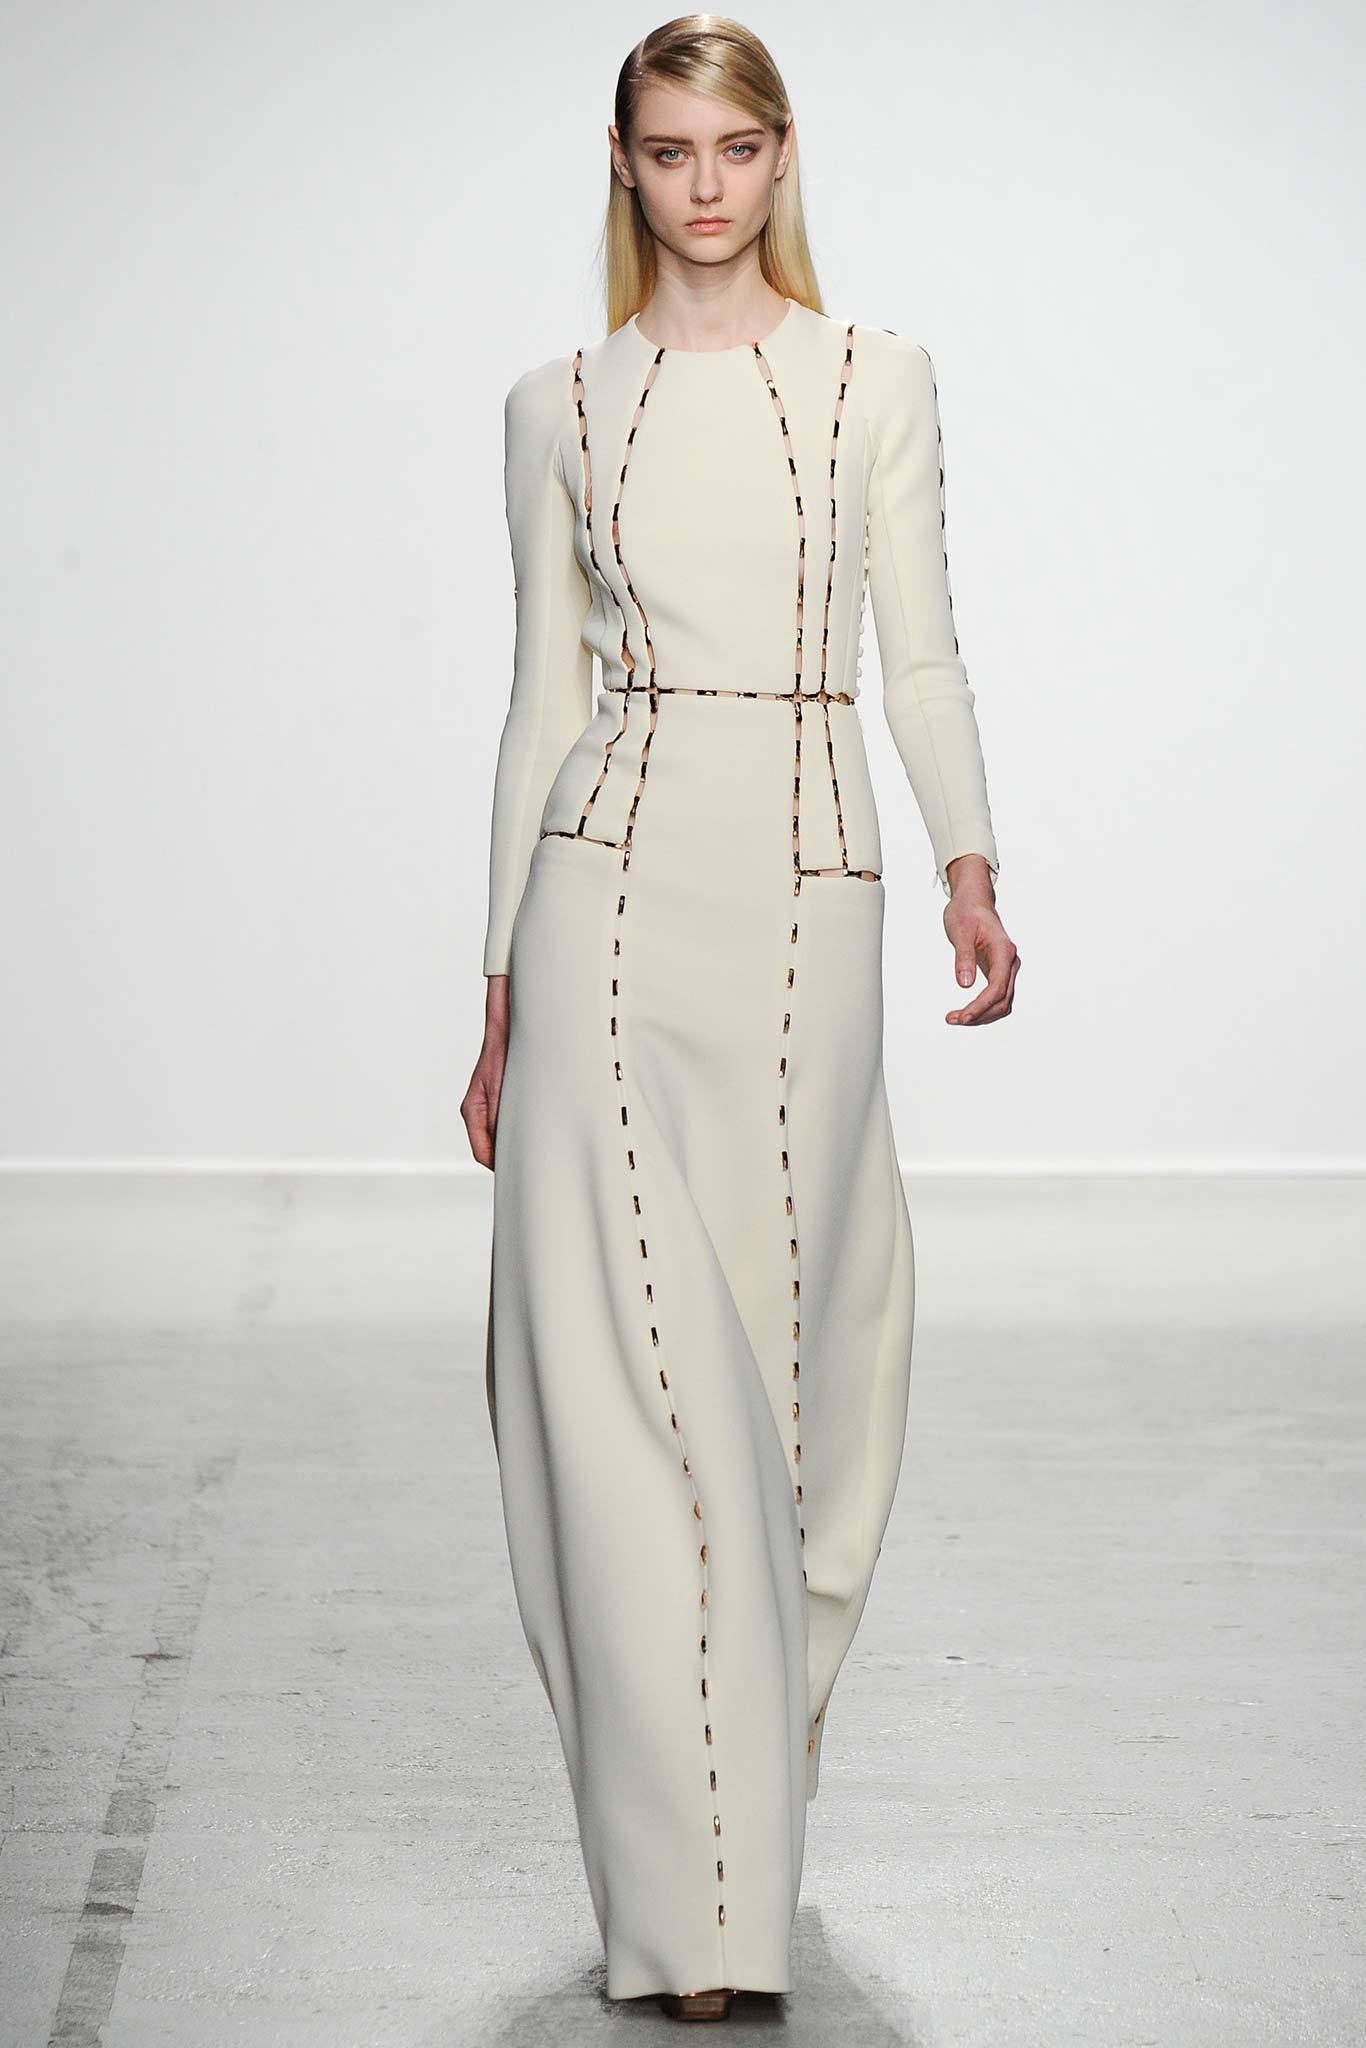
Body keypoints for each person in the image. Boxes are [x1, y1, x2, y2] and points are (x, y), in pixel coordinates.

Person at [461, 13, 1020, 2022]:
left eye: (733, 148)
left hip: (804, 896)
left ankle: (738, 1822)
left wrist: (967, 862)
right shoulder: (554, 408)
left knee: (801, 1384)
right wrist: (495, 989)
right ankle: (689, 1913)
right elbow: (540, 697)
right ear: (621, 166)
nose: (702, 186)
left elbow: (918, 649)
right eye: (666, 150)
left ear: (780, 159)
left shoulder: (875, 378)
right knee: (613, 1393)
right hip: (599, 891)